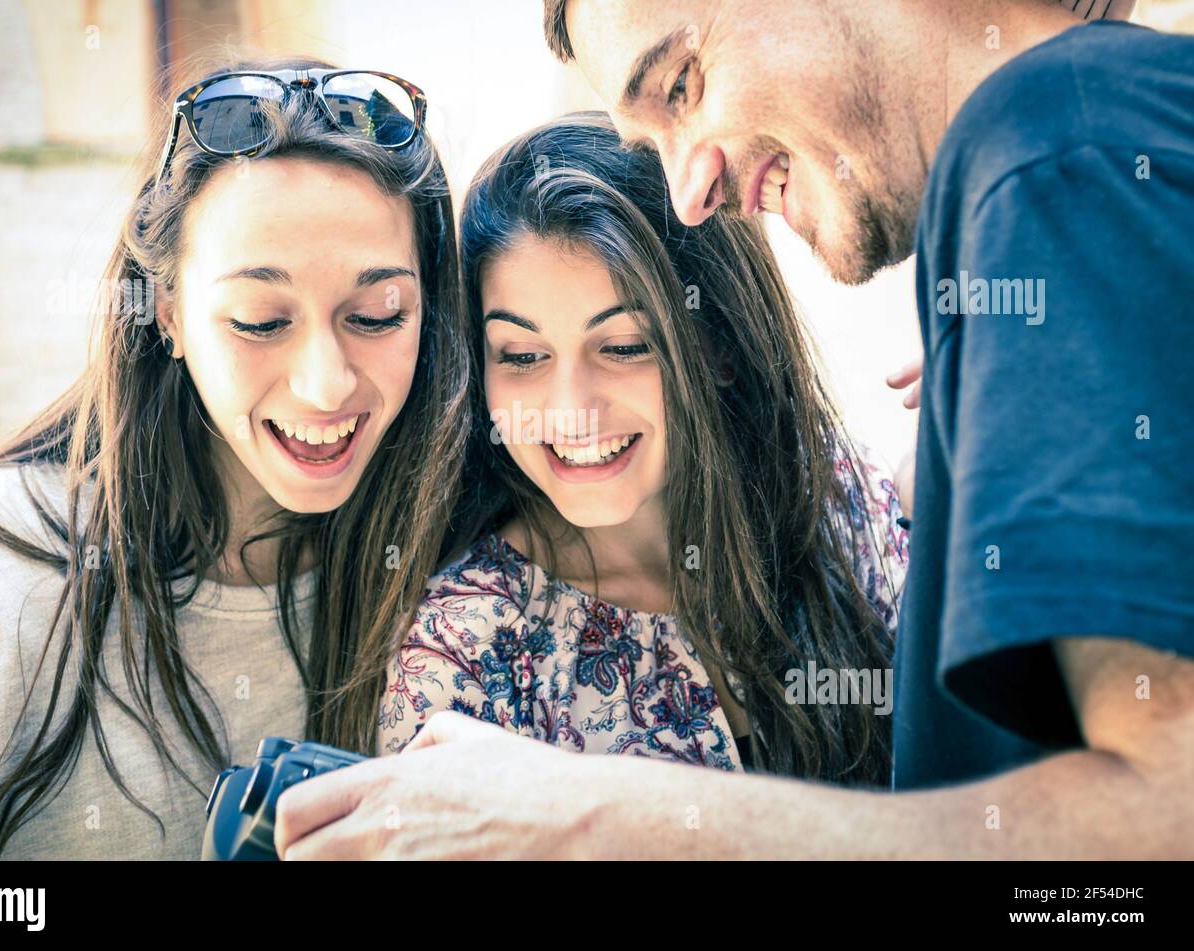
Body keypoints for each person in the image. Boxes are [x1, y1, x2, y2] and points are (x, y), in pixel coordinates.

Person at [273, 0, 1194, 859]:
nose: (689, 192)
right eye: (519, 356)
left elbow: (1166, 816)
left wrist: (589, 815)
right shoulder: (1114, 136)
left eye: (682, 84)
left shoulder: (1052, 152)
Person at [0, 55, 468, 859]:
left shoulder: (467, 578)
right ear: (167, 311)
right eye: (261, 320)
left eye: (376, 314)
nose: (324, 385)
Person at [377, 112, 907, 781]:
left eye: (625, 345)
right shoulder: (464, 649)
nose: (572, 409)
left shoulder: (830, 488)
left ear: (717, 342)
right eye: (522, 354)